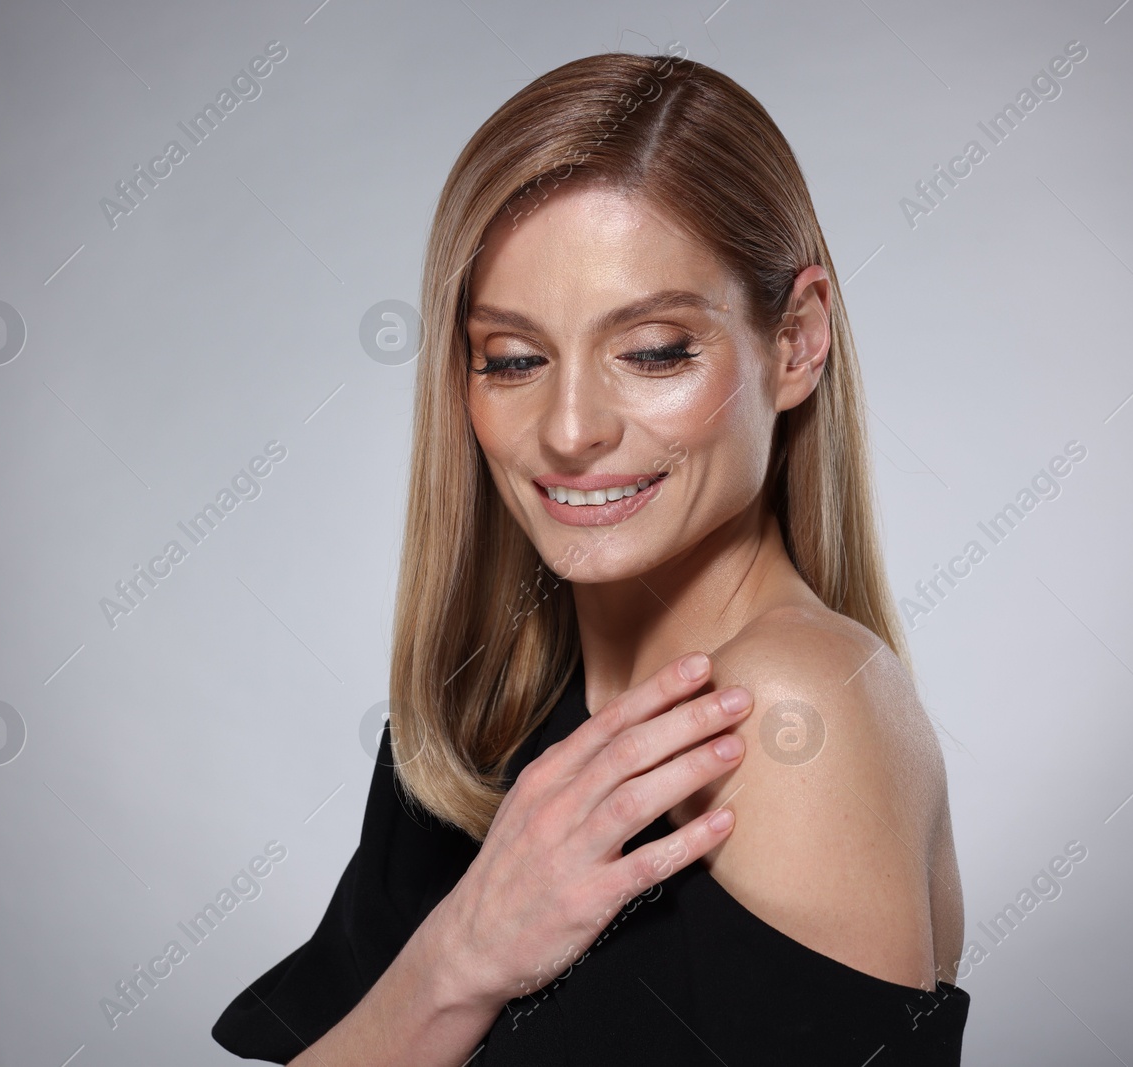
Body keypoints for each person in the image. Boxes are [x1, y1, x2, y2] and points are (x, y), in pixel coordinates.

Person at [212, 47, 969, 1064]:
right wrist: (459, 958)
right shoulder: (471, 721)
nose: (568, 429)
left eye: (653, 350)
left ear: (794, 342)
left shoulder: (792, 713)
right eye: (514, 359)